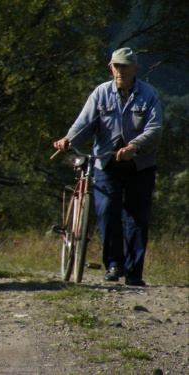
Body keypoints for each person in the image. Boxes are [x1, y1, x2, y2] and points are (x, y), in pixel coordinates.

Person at [53, 47, 162, 286]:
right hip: (106, 164)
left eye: (125, 66)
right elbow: (84, 124)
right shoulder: (101, 93)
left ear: (136, 68)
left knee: (137, 218)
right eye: (116, 66)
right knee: (107, 209)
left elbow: (154, 130)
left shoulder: (149, 94)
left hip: (139, 165)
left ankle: (134, 273)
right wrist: (69, 140)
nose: (120, 70)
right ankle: (114, 264)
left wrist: (134, 147)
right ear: (111, 68)